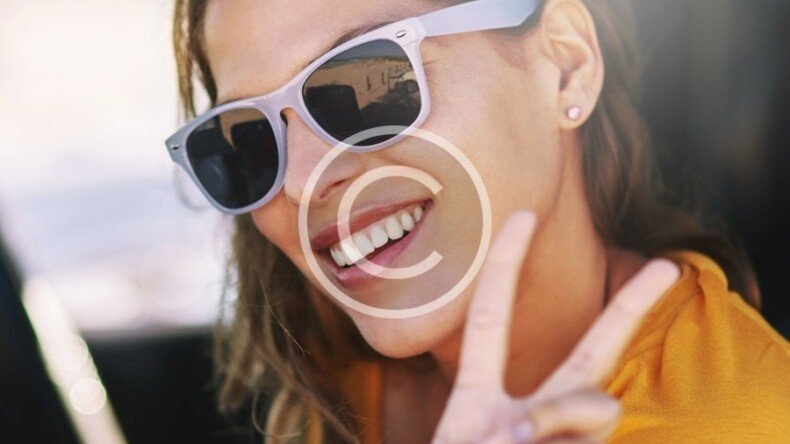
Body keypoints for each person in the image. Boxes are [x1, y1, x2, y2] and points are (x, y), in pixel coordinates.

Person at [167, 0, 789, 442]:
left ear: (565, 67)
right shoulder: (338, 361)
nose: (302, 183)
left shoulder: (740, 423)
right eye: (246, 138)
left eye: (364, 84)